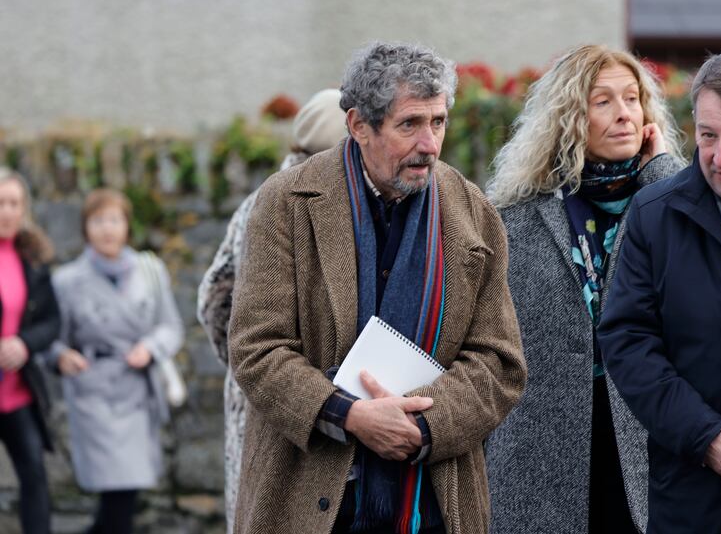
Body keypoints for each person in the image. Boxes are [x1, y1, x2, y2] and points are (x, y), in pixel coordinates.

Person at [227, 41, 526, 534]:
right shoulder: (287, 203)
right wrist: (351, 416)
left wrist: (422, 426)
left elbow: (499, 362)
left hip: (434, 503)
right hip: (310, 497)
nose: (429, 144)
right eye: (409, 124)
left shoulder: (475, 215)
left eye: (439, 122)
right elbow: (257, 348)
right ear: (359, 126)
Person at [597, 49, 721, 532]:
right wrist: (705, 436)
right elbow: (628, 340)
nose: (720, 156)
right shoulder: (655, 213)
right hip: (690, 499)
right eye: (708, 136)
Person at [484, 44, 685, 534]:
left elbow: (689, 278)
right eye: (603, 101)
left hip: (645, 445)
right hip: (539, 456)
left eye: (633, 98)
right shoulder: (516, 217)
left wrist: (658, 174)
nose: (624, 115)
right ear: (570, 115)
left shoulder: (672, 203)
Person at [197, 87, 347, 534]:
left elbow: (213, 299)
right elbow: (216, 298)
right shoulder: (294, 201)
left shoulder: (257, 199)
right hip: (281, 394)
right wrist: (255, 364)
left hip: (277, 391)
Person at [49, 189, 183, 534]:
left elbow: (171, 327)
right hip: (93, 392)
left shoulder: (149, 270)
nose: (107, 229)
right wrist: (61, 356)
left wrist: (150, 348)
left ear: (127, 226)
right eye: (98, 221)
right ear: (85, 228)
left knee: (125, 493)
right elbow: (52, 338)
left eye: (114, 220)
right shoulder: (66, 281)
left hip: (137, 391)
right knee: (116, 492)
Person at [0, 167, 60, 534]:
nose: (6, 211)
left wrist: (24, 344)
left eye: (14, 203)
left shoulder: (34, 258)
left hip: (17, 393)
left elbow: (52, 321)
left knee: (35, 475)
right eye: (0, 203)